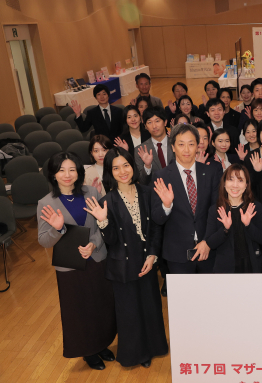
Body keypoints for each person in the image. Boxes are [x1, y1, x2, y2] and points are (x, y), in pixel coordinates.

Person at [84, 148, 168, 368]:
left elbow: (156, 228)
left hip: (147, 260)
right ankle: (135, 354)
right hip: (122, 265)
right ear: (110, 172)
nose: (122, 171)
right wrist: (103, 221)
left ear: (133, 166)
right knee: (129, 313)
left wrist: (152, 255)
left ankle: (153, 348)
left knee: (150, 307)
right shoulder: (107, 201)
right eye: (116, 168)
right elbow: (111, 240)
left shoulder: (147, 192)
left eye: (126, 165)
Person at [37, 152, 116, 371]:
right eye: (61, 170)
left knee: (101, 304)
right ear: (53, 174)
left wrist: (94, 244)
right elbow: (43, 241)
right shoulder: (46, 203)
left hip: (96, 258)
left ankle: (102, 344)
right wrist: (57, 229)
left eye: (72, 169)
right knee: (79, 310)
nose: (67, 175)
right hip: (70, 265)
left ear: (79, 172)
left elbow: (103, 223)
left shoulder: (91, 192)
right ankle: (88, 351)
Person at [151, 124, 223, 274]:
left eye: (191, 144)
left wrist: (208, 242)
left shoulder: (210, 172)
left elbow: (216, 209)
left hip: (208, 250)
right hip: (177, 254)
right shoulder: (161, 176)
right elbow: (157, 218)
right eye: (181, 144)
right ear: (173, 147)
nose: (186, 149)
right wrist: (166, 205)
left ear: (197, 146)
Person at [205, 164, 262, 273]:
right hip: (225, 269)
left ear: (246, 185)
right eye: (231, 179)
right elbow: (210, 243)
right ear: (224, 183)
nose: (235, 185)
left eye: (240, 180)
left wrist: (248, 225)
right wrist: (225, 229)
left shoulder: (255, 207)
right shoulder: (215, 210)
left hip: (251, 266)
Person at [134, 107, 172, 186]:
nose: (154, 126)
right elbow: (142, 181)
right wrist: (147, 166)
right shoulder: (140, 150)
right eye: (149, 122)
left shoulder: (176, 144)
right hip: (154, 191)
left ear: (165, 122)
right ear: (145, 126)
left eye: (157, 121)